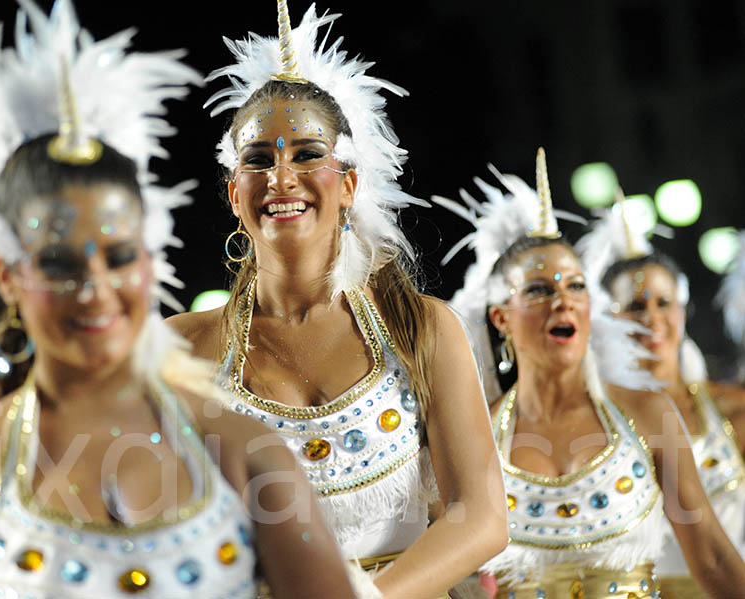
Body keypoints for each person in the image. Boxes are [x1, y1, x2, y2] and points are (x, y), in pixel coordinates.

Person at [0, 2, 356, 598]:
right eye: (60, 264)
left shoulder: (246, 459)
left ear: (147, 262)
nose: (95, 291)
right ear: (7, 276)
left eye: (118, 258)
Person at [168, 3, 507, 598]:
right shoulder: (180, 347)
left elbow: (480, 517)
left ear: (348, 183)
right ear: (234, 192)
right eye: (257, 160)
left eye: (305, 154)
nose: (280, 177)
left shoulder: (423, 329)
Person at [439, 148, 745, 598]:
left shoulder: (647, 413)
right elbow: (458, 575)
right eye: (540, 290)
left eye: (575, 285)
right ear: (502, 317)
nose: (562, 300)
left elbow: (715, 558)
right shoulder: (477, 432)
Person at [580, 200, 745, 596]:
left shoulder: (732, 410)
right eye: (635, 306)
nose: (652, 319)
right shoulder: (599, 422)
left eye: (663, 303)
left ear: (683, 310)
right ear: (607, 319)